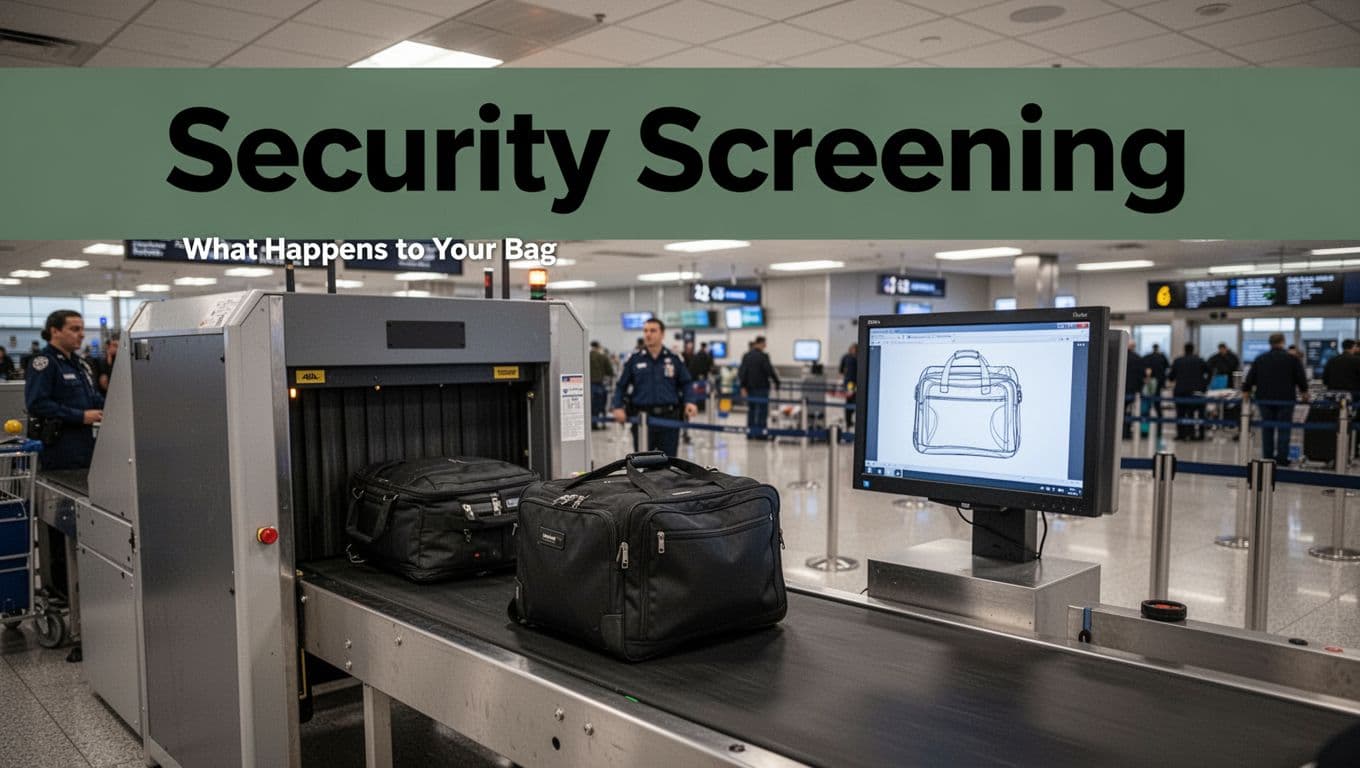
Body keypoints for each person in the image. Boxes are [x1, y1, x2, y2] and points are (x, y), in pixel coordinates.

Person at [25, 310, 104, 471]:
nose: (81, 335)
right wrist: (80, 416)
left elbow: (92, 397)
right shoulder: (45, 362)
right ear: (55, 331)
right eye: (75, 329)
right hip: (60, 446)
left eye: (82, 329)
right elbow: (37, 403)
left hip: (85, 444)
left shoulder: (80, 364)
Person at [611, 318, 699, 456]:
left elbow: (686, 383)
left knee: (668, 462)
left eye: (653, 330)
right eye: (645, 331)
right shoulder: (634, 359)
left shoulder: (674, 359)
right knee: (643, 462)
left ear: (662, 334)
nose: (648, 334)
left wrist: (690, 401)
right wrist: (617, 407)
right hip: (642, 419)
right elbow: (621, 385)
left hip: (669, 419)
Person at [1242, 332, 1308, 467]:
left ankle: (1268, 458)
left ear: (1270, 343)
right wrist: (1304, 392)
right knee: (1284, 429)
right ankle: (1282, 459)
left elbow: (1250, 378)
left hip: (1265, 399)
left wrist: (1246, 391)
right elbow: (1301, 378)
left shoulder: (1260, 359)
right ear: (1283, 342)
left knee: (1267, 429)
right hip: (1286, 399)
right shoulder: (1292, 359)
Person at [737, 336, 780, 438]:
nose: (765, 345)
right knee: (762, 411)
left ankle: (750, 433)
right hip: (762, 388)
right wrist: (776, 382)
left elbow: (742, 372)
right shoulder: (763, 356)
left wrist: (742, 386)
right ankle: (761, 434)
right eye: (764, 343)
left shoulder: (746, 356)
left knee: (751, 410)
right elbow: (769, 370)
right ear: (760, 343)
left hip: (750, 388)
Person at [1169, 342, 1211, 441]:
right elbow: (1210, 371)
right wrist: (1205, 383)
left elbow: (1171, 377)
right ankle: (1198, 435)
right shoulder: (1200, 360)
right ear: (1193, 349)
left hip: (1181, 391)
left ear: (1184, 349)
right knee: (1197, 414)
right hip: (1197, 392)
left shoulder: (1178, 361)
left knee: (1180, 414)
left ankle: (1181, 434)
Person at [1141, 343, 1170, 438]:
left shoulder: (1147, 357)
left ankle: (1144, 432)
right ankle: (1159, 432)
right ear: (1158, 349)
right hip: (1158, 387)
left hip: (1147, 386)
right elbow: (1167, 368)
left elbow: (1144, 371)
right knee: (1158, 409)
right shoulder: (1162, 357)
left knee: (1146, 409)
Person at [588, 341, 612, 431]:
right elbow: (610, 371)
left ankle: (591, 424)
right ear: (598, 347)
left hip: (588, 386)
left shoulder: (586, 356)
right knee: (600, 406)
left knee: (589, 406)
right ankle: (600, 423)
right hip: (599, 385)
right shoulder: (603, 357)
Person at [1124, 341, 1145, 439]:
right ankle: (1126, 432)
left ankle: (1118, 431)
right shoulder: (1138, 358)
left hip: (1119, 389)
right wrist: (1139, 389)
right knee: (1129, 411)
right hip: (1131, 390)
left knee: (1119, 411)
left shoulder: (1120, 357)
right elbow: (1141, 376)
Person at [838, 343, 858, 429]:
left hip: (856, 383)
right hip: (850, 384)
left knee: (855, 402)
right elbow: (841, 370)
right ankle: (848, 422)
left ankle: (851, 422)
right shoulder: (847, 357)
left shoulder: (858, 357)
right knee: (850, 402)